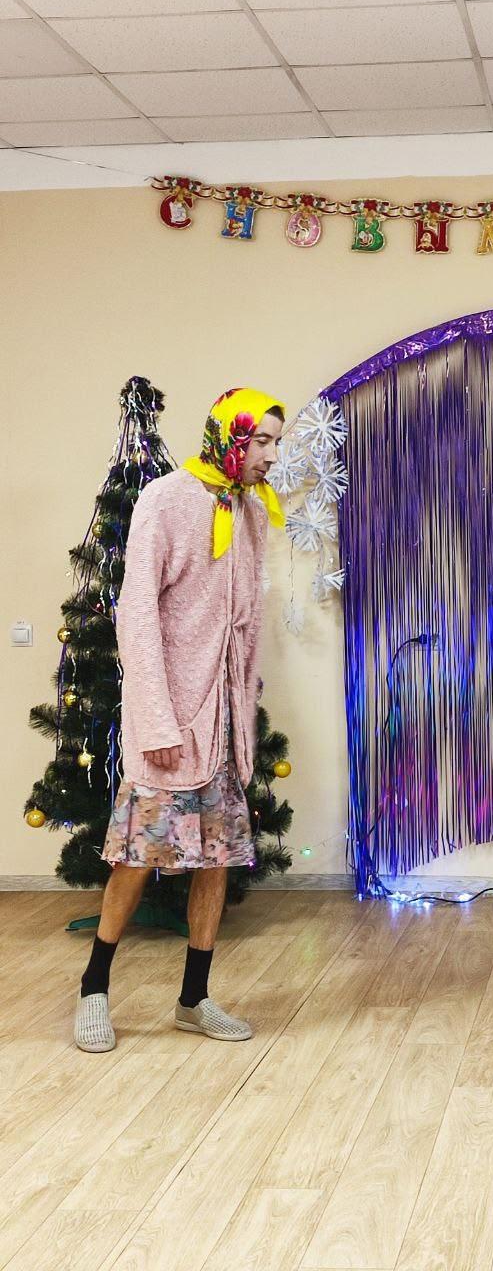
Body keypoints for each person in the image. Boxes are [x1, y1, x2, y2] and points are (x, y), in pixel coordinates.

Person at [74, 388, 286, 1052]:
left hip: (221, 725)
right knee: (136, 858)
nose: (271, 456)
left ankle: (193, 999)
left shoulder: (251, 513)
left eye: (276, 442)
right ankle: (93, 990)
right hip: (169, 722)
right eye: (262, 441)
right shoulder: (166, 499)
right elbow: (137, 614)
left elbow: (243, 624)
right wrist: (157, 722)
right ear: (231, 437)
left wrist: (241, 715)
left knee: (216, 861)